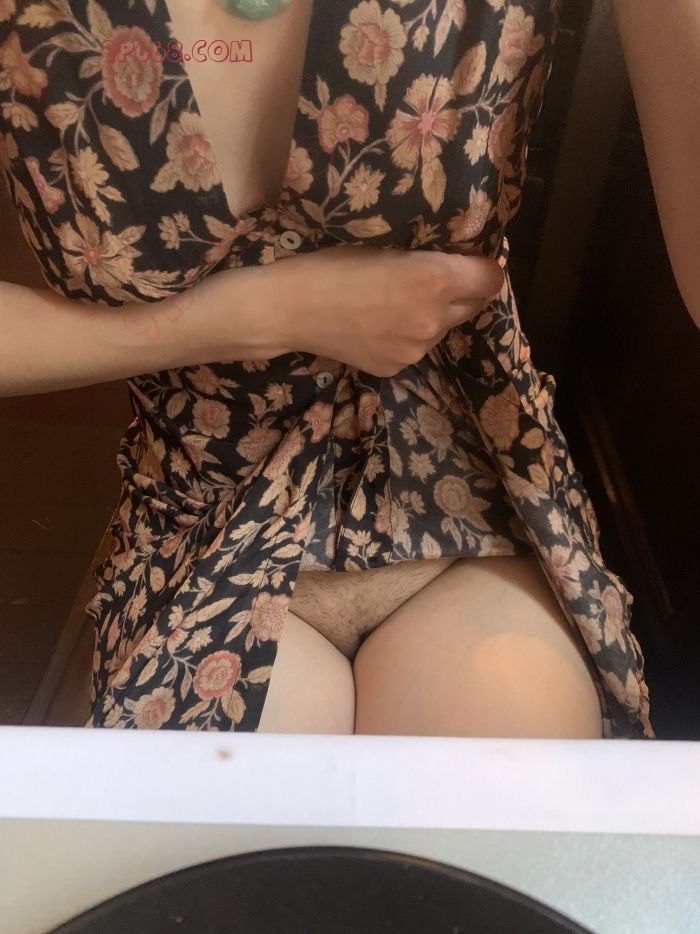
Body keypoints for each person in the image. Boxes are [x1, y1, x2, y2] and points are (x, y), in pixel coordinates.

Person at [1, 0, 668, 738]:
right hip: (202, 516)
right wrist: (261, 314)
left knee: (496, 794)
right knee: (223, 811)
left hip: (468, 508)